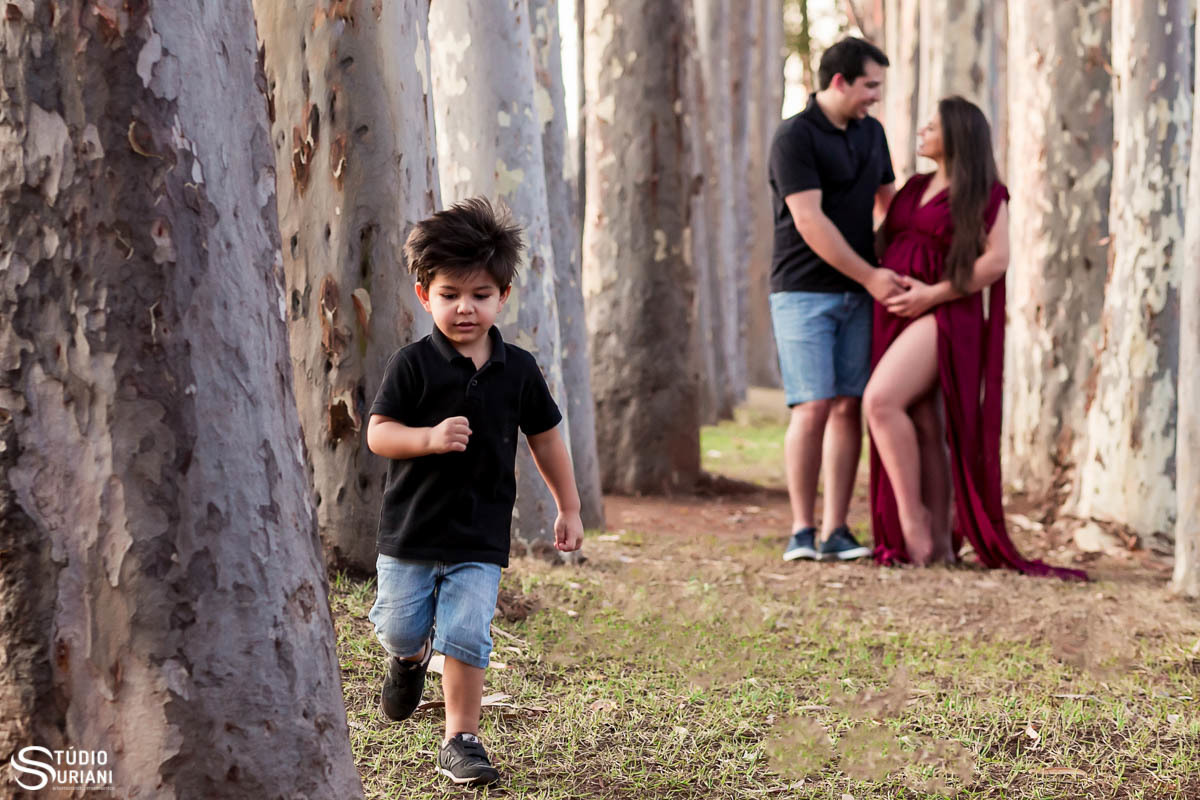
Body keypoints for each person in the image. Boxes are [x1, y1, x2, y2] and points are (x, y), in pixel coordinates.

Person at [365, 197, 585, 785]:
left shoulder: (519, 369)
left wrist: (569, 505)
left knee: (465, 633)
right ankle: (408, 661)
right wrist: (429, 438)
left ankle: (462, 738)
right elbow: (378, 434)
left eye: (481, 295)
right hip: (411, 531)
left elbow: (546, 438)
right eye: (450, 294)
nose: (466, 308)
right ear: (423, 294)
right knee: (400, 627)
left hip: (479, 534)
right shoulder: (412, 365)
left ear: (503, 296)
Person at [864, 96, 1086, 581]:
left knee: (880, 402)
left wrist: (931, 295)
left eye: (933, 124)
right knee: (923, 421)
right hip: (897, 313)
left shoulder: (986, 193)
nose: (922, 129)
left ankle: (914, 523)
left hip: (943, 313)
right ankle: (940, 545)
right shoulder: (915, 186)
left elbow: (996, 260)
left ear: (958, 135)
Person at [768, 37, 902, 562]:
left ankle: (836, 530)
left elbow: (890, 207)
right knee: (814, 404)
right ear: (841, 81)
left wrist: (902, 268)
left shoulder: (874, 134)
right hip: (802, 291)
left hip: (861, 292)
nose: (876, 97)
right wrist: (872, 276)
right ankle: (802, 531)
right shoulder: (794, 137)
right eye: (871, 86)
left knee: (850, 406)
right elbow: (809, 220)